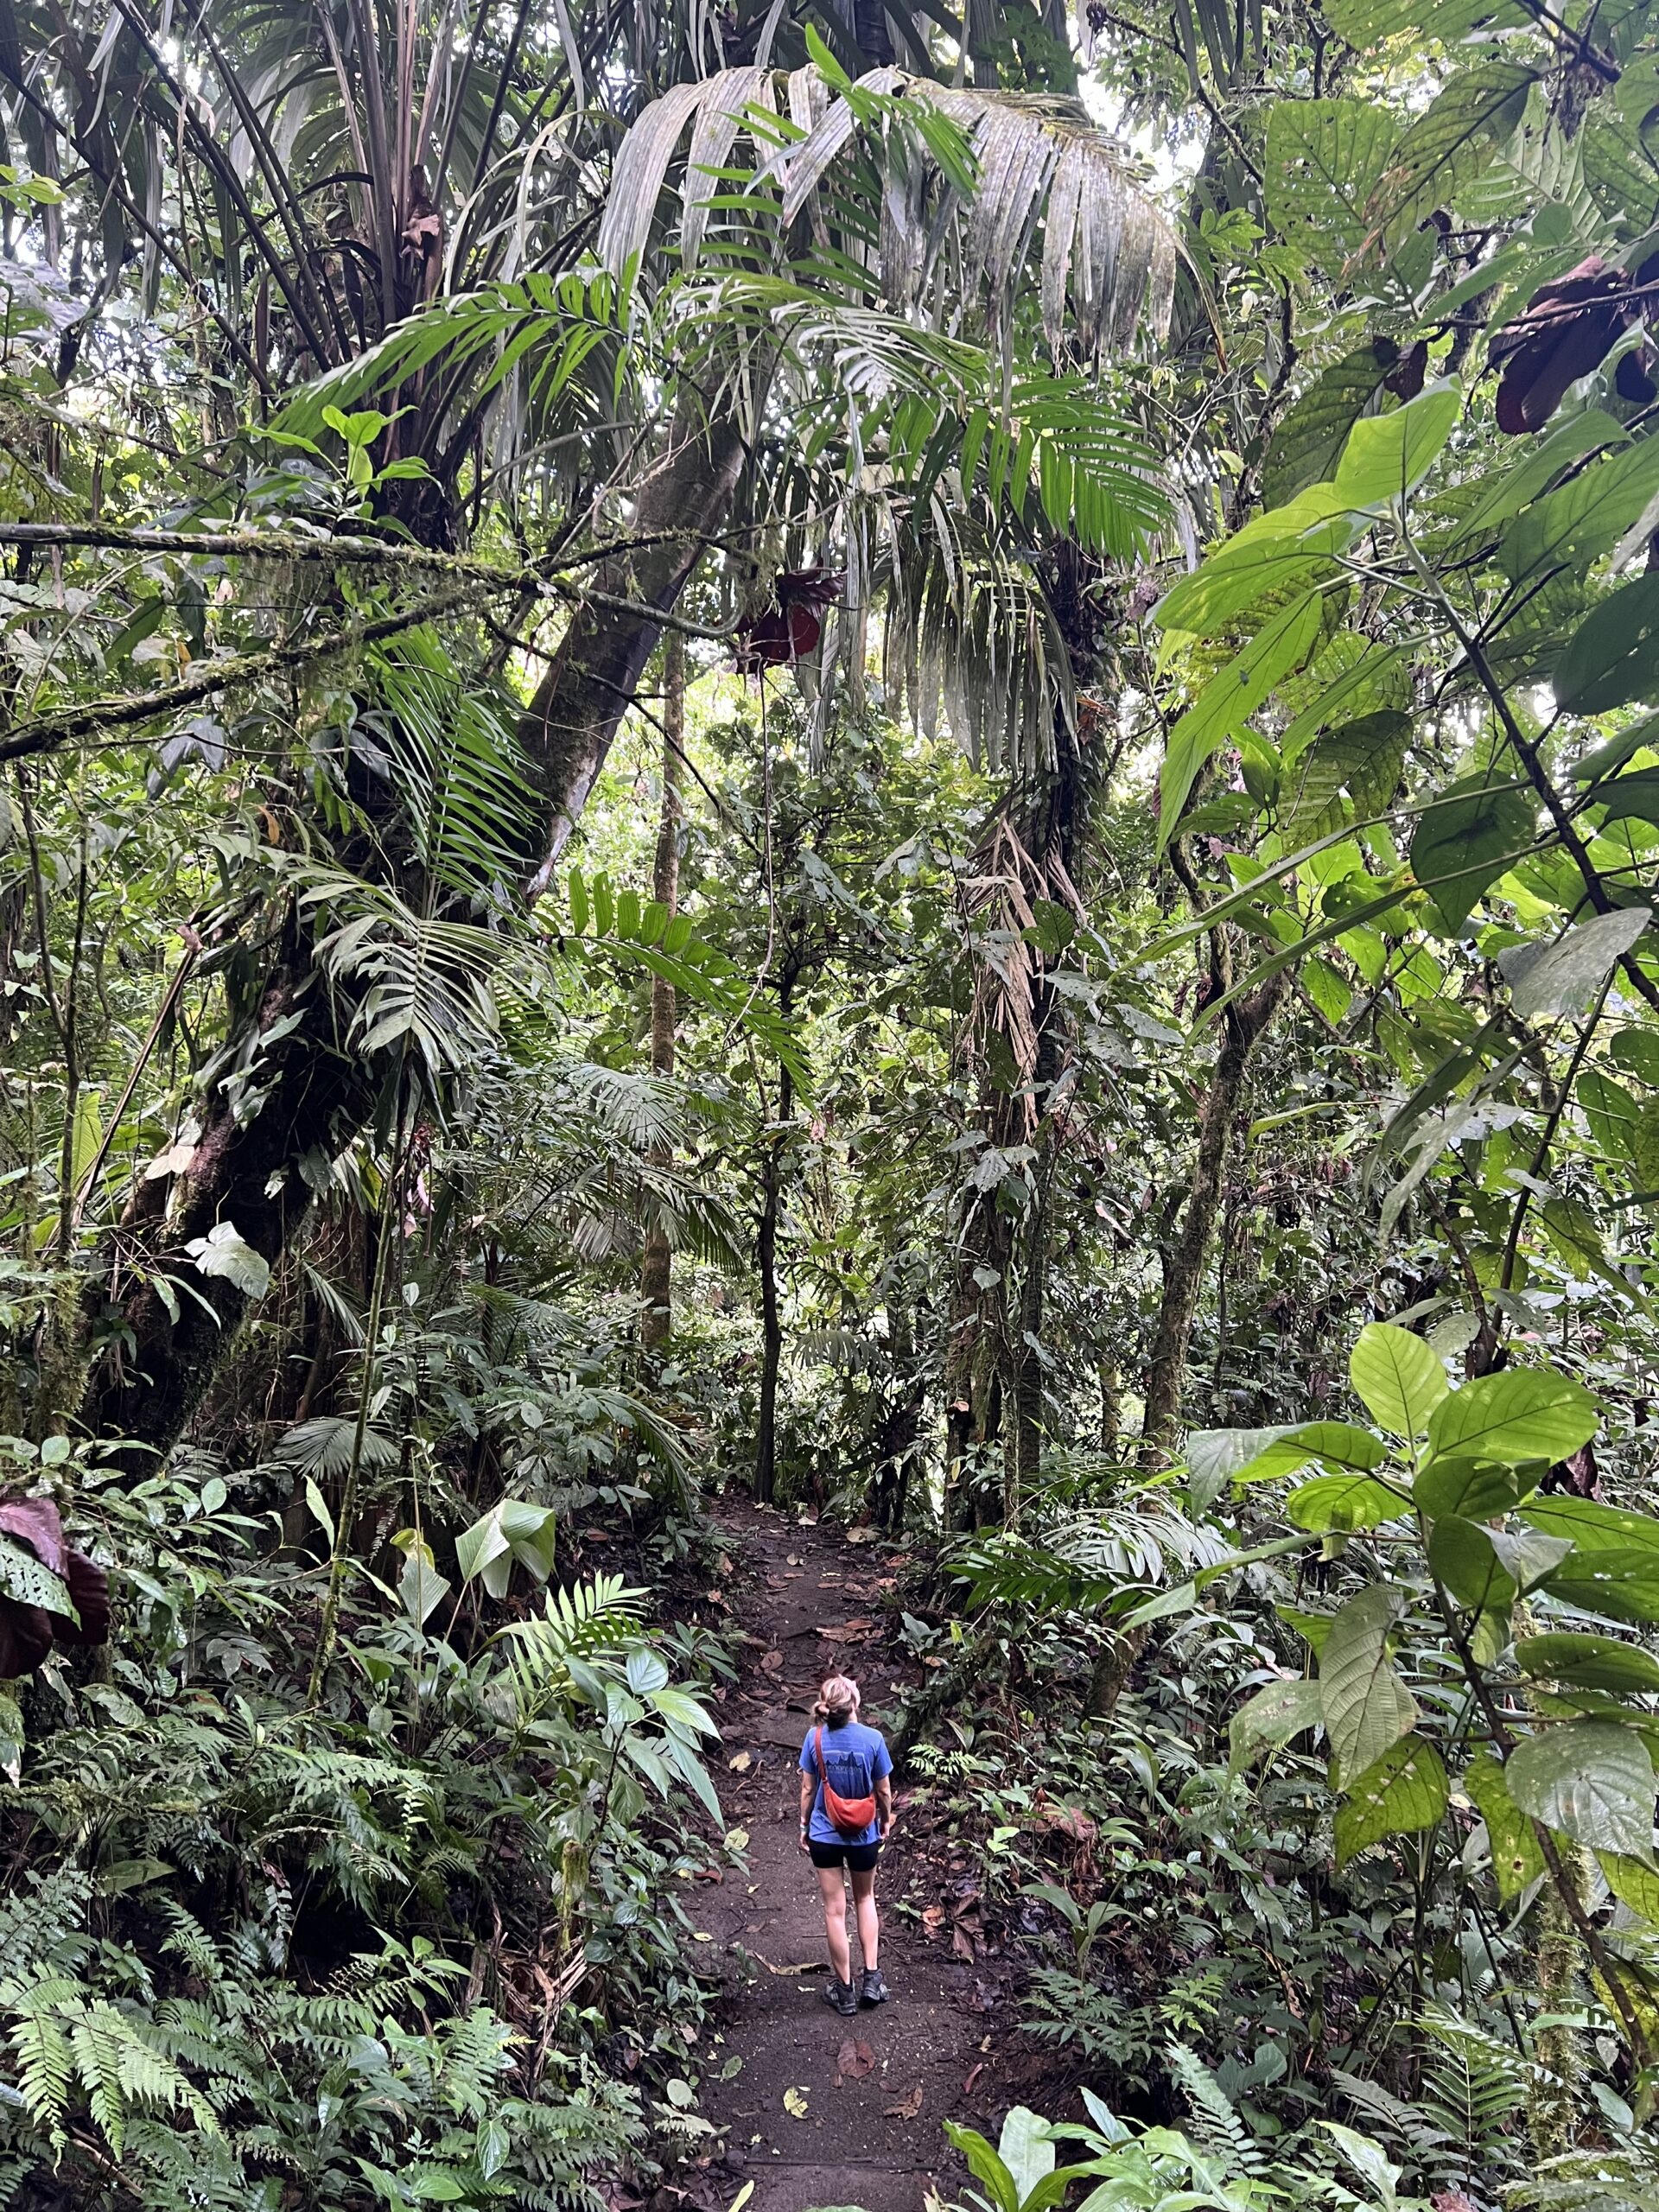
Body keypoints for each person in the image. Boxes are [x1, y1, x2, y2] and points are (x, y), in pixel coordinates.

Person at [798, 1672, 894, 2016]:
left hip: (825, 1834)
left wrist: (805, 1825)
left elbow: (808, 1789)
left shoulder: (816, 1737)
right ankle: (872, 1978)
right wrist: (885, 1819)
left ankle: (845, 1991)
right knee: (865, 1898)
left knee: (834, 1911)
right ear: (853, 1703)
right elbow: (883, 1790)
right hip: (863, 1835)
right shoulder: (873, 1739)